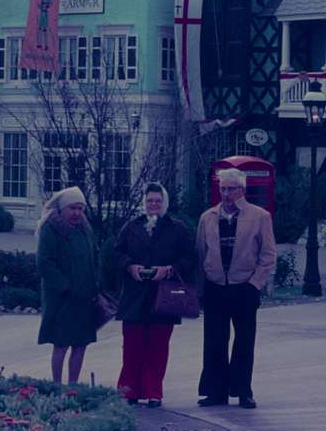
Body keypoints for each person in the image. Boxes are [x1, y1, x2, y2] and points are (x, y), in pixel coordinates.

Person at [195, 168, 277, 409]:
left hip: (244, 287)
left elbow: (268, 254)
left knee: (244, 341)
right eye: (223, 188)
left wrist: (255, 284)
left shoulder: (260, 216)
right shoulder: (207, 217)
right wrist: (200, 289)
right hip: (215, 287)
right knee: (214, 340)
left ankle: (243, 390)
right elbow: (200, 253)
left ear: (242, 190)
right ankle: (215, 392)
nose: (226, 193)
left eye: (231, 189)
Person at [112, 182, 195, 408]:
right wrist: (130, 267)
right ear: (144, 202)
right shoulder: (131, 226)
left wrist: (168, 270)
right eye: (150, 201)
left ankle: (153, 392)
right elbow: (116, 253)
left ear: (164, 203)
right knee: (132, 346)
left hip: (164, 296)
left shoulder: (177, 229)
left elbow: (189, 259)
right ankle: (129, 391)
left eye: (158, 201)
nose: (154, 204)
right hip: (135, 296)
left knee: (158, 346)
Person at [36, 186, 99, 385]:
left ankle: (72, 387)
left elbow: (95, 256)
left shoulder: (85, 229)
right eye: (73, 208)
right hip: (62, 299)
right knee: (61, 343)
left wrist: (96, 282)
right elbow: (44, 263)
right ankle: (56, 385)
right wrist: (65, 287)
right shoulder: (50, 229)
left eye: (80, 208)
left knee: (81, 344)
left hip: (85, 298)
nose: (77, 213)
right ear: (62, 209)